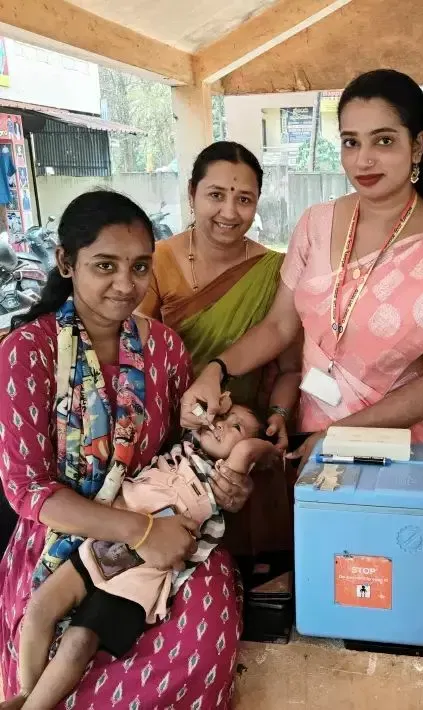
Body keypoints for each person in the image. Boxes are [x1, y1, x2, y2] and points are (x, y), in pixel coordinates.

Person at [181, 69, 423, 564]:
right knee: (329, 571)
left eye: (383, 140)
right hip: (315, 437)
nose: (363, 159)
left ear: (416, 146)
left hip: (411, 452)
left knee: (397, 581)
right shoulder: (316, 223)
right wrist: (216, 370)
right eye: (350, 141)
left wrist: (341, 435)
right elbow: (279, 326)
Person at [0, 191, 268, 708]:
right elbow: (27, 490)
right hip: (65, 533)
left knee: (201, 640)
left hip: (165, 519)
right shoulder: (28, 352)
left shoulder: (164, 348)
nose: (126, 285)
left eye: (140, 267)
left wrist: (228, 482)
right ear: (66, 262)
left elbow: (185, 450)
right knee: (56, 655)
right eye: (105, 265)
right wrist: (140, 532)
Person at [1, 400, 275, 710]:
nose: (221, 424)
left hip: (141, 573)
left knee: (78, 643)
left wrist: (268, 447)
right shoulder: (185, 446)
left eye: (236, 426)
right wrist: (214, 412)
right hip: (110, 542)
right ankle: (26, 693)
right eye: (223, 417)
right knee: (40, 606)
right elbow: (201, 411)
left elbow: (245, 451)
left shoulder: (223, 479)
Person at [138, 141, 300, 451]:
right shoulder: (155, 263)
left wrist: (279, 414)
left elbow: (290, 368)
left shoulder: (274, 271)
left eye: (244, 199)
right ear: (191, 193)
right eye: (216, 195)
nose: (229, 212)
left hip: (239, 438)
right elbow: (134, 357)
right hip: (163, 434)